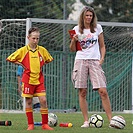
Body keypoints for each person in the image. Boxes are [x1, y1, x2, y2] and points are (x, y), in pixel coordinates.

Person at [69, 6, 112, 128]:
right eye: (86, 15)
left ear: (93, 17)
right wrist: (73, 40)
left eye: (90, 15)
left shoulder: (97, 28)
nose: (88, 17)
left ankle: (111, 120)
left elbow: (102, 45)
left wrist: (102, 58)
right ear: (83, 16)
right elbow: (72, 49)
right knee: (82, 92)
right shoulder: (76, 29)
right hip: (81, 60)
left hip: (95, 61)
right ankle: (86, 121)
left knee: (103, 91)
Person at [6, 27, 53, 130]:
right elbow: (10, 58)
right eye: (33, 38)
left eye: (37, 38)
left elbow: (49, 59)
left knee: (43, 100)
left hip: (39, 80)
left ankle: (45, 124)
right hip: (27, 80)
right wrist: (22, 63)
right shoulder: (23, 51)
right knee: (29, 101)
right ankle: (30, 125)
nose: (35, 41)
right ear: (28, 38)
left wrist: (41, 64)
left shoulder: (42, 50)